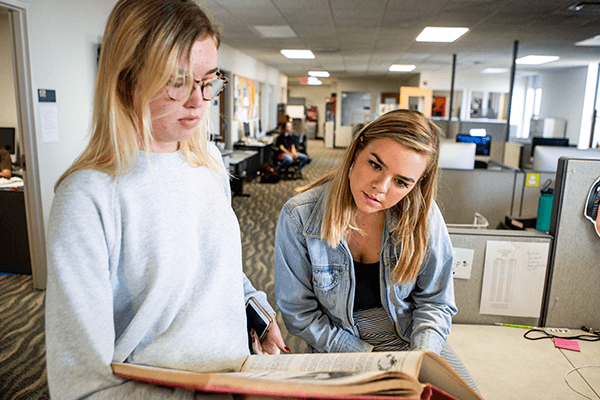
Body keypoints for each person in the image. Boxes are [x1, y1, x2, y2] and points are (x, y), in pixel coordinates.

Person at [45, 1, 286, 399]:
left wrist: (257, 312)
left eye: (209, 81)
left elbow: (216, 269)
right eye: (177, 82)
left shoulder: (206, 161)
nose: (199, 101)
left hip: (237, 375)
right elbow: (81, 387)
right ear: (126, 81)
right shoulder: (88, 198)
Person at [274, 109, 478, 390]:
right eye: (375, 165)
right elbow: (300, 314)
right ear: (358, 149)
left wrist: (421, 358)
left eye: (401, 182)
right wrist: (366, 357)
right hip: (338, 346)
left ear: (416, 185)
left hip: (410, 340)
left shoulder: (424, 217)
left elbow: (435, 302)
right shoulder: (299, 216)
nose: (380, 188)